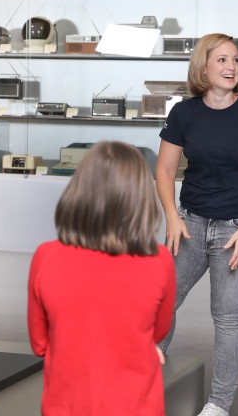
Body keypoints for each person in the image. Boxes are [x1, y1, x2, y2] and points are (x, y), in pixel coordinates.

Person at [156, 33, 238, 416]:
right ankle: (148, 364)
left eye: (236, 60)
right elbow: (163, 170)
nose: (231, 67)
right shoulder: (183, 113)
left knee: (227, 318)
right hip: (190, 223)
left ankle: (218, 406)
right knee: (161, 300)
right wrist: (172, 217)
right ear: (203, 67)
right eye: (222, 60)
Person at [27, 141, 175, 416]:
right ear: (140, 198)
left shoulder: (46, 256)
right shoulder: (160, 260)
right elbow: (158, 331)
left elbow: (39, 344)